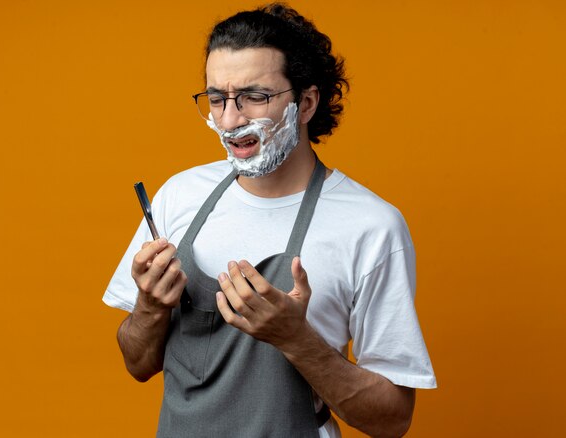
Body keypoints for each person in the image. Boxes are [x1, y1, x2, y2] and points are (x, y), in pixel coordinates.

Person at [104, 3, 436, 437]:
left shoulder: (371, 227)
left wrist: (296, 338)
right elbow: (138, 364)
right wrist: (149, 307)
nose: (230, 119)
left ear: (306, 103)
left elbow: (392, 418)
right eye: (218, 98)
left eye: (254, 97)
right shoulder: (179, 196)